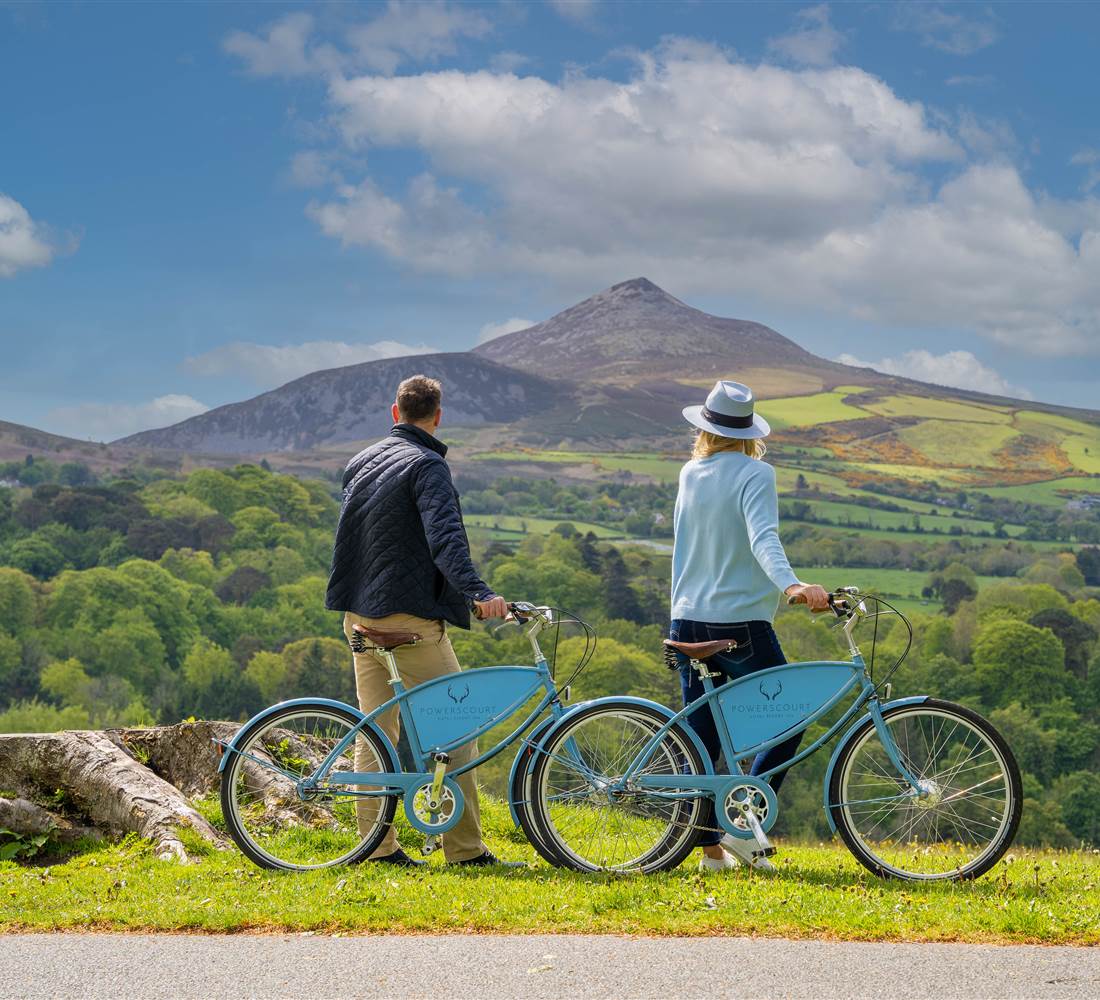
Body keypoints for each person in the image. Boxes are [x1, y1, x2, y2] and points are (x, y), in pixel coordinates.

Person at [325, 374, 520, 868]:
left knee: (376, 733)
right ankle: (464, 851)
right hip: (408, 621)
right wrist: (479, 593)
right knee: (456, 730)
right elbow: (446, 540)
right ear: (437, 416)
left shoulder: (360, 461)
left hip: (359, 615)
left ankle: (375, 848)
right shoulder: (428, 466)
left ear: (395, 413)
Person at [671, 380, 830, 872]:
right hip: (739, 622)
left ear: (705, 427)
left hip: (686, 618)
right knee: (791, 716)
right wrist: (792, 586)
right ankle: (745, 827)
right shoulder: (756, 474)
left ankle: (711, 853)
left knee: (699, 741)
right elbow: (764, 538)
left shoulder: (689, 472)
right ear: (748, 431)